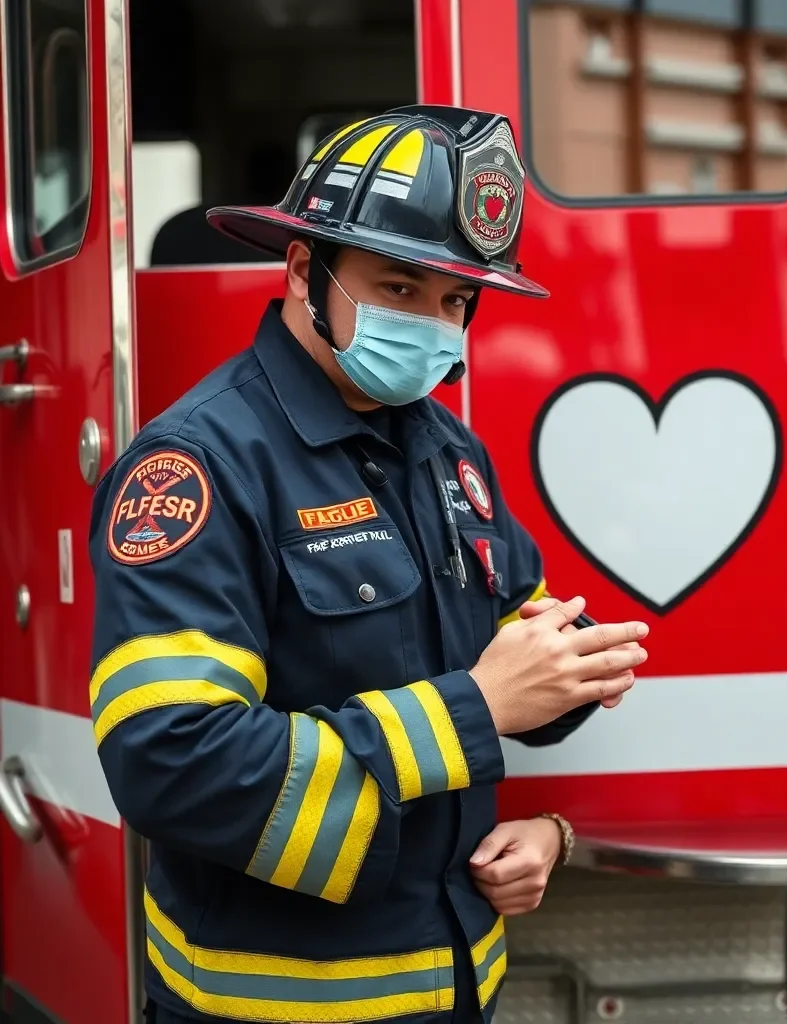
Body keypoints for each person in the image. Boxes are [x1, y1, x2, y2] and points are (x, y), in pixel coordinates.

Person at [88, 105, 650, 1024]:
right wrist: (479, 707)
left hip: (460, 991)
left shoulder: (447, 450)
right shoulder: (196, 466)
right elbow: (171, 762)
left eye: (455, 303)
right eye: (399, 288)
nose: (433, 326)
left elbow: (519, 640)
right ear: (305, 269)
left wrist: (571, 689)